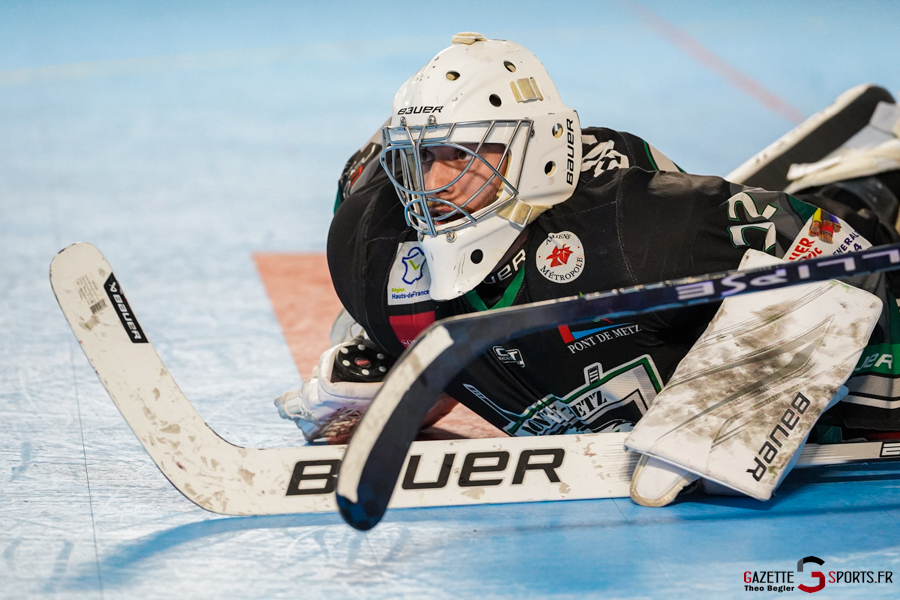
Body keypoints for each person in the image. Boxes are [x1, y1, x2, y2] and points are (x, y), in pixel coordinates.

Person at [276, 32, 900, 502]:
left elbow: (836, 248)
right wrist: (412, 363)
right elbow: (371, 180)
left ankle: (869, 183)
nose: (430, 186)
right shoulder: (367, 242)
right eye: (419, 157)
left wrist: (739, 400)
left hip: (692, 241)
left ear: (530, 156)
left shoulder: (636, 227)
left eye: (461, 155)